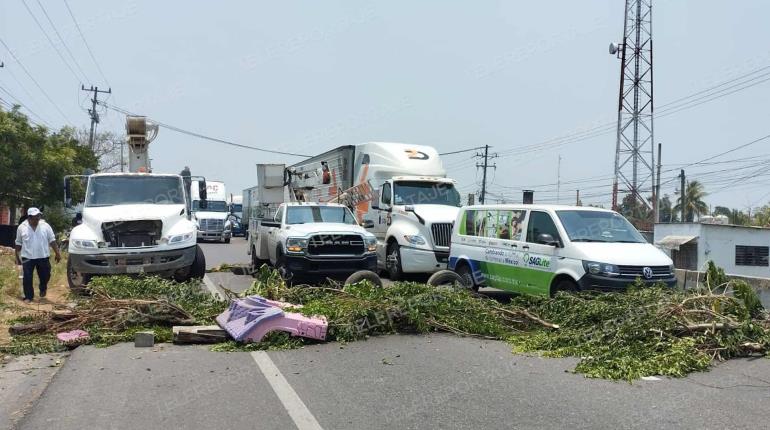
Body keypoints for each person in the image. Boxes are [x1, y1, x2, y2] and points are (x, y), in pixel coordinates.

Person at [14, 208, 61, 303]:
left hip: (43, 256)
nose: (37, 219)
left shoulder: (45, 226)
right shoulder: (21, 227)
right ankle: (28, 296)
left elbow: (52, 240)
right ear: (29, 217)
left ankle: (43, 287)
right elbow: (18, 243)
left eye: (38, 217)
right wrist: (16, 257)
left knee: (46, 275)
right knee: (27, 277)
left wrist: (57, 253)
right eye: (35, 218)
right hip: (27, 257)